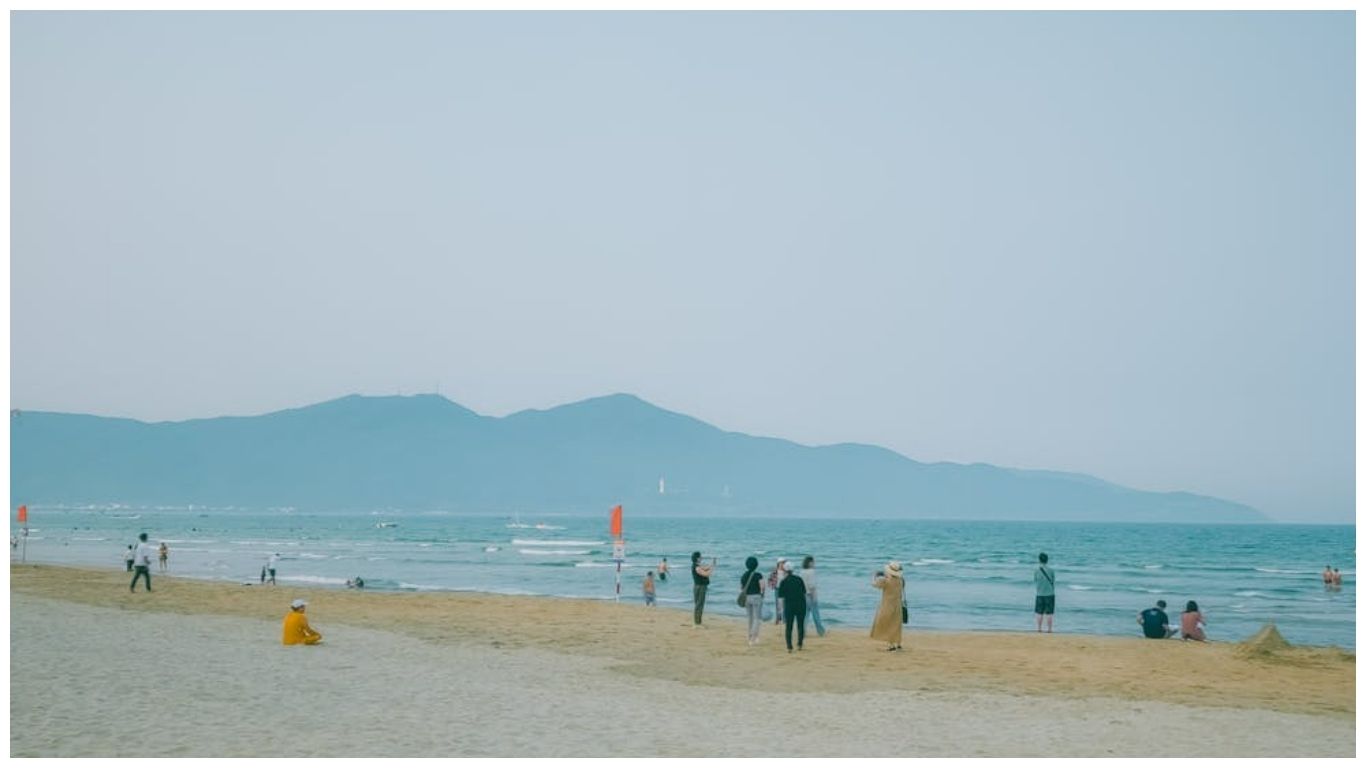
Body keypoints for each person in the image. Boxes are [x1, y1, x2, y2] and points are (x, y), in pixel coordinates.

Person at [870, 561, 904, 651]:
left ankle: (891, 645)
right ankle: (898, 644)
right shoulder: (900, 580)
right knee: (896, 625)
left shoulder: (885, 580)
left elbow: (874, 584)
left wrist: (874, 576)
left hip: (887, 604)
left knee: (888, 624)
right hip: (898, 604)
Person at [777, 561, 808, 653]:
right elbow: (804, 592)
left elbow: (780, 598)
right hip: (801, 604)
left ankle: (789, 647)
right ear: (793, 570)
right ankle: (799, 644)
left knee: (789, 626)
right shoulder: (799, 579)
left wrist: (780, 610)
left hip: (789, 606)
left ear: (785, 570)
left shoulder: (783, 582)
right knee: (800, 625)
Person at [740, 556, 765, 646]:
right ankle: (753, 637)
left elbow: (741, 588)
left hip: (747, 598)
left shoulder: (744, 575)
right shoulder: (758, 575)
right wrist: (762, 595)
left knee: (750, 618)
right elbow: (762, 587)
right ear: (756, 565)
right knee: (757, 618)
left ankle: (751, 637)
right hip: (756, 597)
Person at [801, 555, 826, 637]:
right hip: (810, 595)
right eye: (813, 562)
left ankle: (803, 632)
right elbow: (812, 586)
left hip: (803, 595)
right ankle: (821, 631)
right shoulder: (812, 571)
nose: (814, 563)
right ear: (810, 563)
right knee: (816, 614)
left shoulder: (802, 571)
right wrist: (814, 596)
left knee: (805, 615)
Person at [1034, 552, 1056, 633]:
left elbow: (1035, 581)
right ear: (1047, 560)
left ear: (1039, 560)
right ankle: (1049, 629)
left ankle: (1039, 628)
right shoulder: (1051, 570)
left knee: (1039, 613)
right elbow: (1053, 581)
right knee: (1049, 613)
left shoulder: (1036, 570)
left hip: (1039, 594)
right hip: (1050, 594)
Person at [691, 551, 713, 626]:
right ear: (697, 558)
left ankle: (698, 622)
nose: (701, 558)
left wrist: (712, 564)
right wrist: (711, 570)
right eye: (700, 557)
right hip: (700, 587)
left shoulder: (697, 565)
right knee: (699, 604)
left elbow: (705, 568)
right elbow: (706, 574)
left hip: (698, 586)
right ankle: (697, 623)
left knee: (699, 604)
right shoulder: (696, 567)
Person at [769, 558, 787, 625]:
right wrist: (772, 585)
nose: (783, 564)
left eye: (784, 563)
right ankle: (778, 618)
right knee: (778, 604)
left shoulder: (786, 571)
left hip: (785, 589)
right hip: (777, 588)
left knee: (785, 604)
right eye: (782, 563)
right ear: (778, 563)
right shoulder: (775, 571)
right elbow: (770, 579)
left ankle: (784, 619)